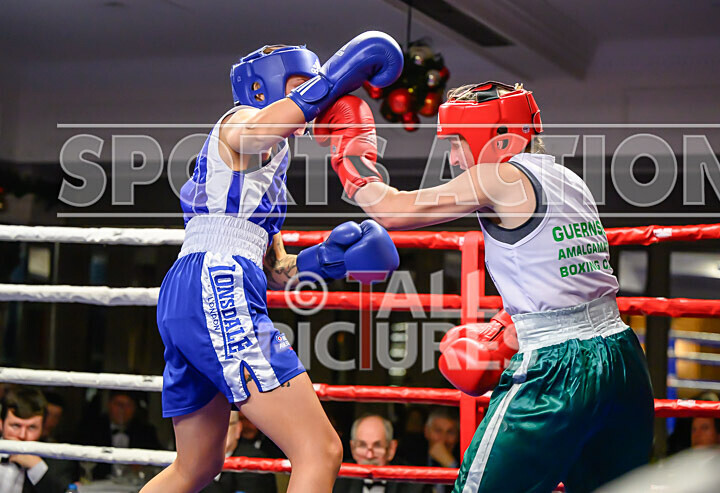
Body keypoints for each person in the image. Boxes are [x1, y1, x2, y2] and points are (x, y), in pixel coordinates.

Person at [314, 82, 654, 492]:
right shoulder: (569, 180)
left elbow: (392, 210)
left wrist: (350, 152)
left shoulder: (498, 176)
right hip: (622, 357)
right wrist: (507, 326)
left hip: (558, 366)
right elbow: (569, 278)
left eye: (457, 142)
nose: (454, 158)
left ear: (497, 137)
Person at [140, 31, 403, 493]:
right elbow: (262, 126)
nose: (313, 98)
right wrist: (336, 77)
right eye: (299, 85)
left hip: (200, 286)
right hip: (217, 284)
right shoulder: (241, 120)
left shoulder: (267, 169)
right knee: (320, 450)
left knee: (196, 467)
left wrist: (327, 260)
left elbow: (276, 269)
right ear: (262, 87)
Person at [0, 386, 77, 493]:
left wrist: (37, 468)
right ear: (1, 424)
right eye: (15, 426)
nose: (22, 435)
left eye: (32, 428)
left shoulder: (58, 461)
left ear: (42, 428)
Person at [79, 390, 162, 479]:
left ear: (134, 408)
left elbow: (159, 460)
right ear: (109, 405)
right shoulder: (92, 429)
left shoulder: (146, 431)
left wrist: (143, 466)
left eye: (128, 405)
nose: (122, 409)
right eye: (118, 404)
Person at [334, 414, 425, 493]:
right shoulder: (337, 481)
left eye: (377, 446)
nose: (369, 456)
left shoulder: (414, 485)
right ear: (353, 448)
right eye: (362, 445)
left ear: (391, 449)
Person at [200, 411, 277, 493]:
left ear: (238, 429)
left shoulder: (252, 459)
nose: (217, 432)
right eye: (210, 426)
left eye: (224, 425)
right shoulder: (198, 461)